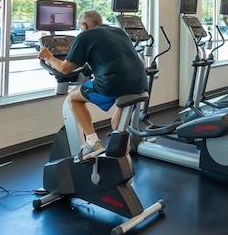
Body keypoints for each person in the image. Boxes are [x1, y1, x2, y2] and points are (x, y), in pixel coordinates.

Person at [38, 10, 147, 162]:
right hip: (140, 82)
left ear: (83, 25)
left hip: (113, 83)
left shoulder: (85, 35)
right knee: (118, 125)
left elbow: (64, 69)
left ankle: (92, 142)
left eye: (80, 27)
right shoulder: (118, 31)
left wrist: (48, 57)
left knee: (73, 98)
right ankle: (124, 162)